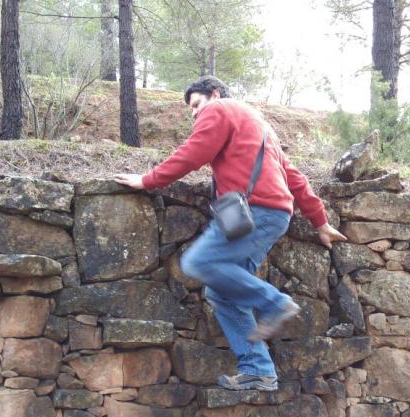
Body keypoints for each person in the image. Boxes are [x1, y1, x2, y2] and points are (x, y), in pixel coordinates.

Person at [115, 76, 346, 392]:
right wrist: (319, 221)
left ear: (214, 94)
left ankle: (274, 303)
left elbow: (193, 152)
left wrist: (149, 180)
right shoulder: (261, 127)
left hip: (253, 214)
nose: (195, 113)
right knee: (222, 292)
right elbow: (295, 178)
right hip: (273, 215)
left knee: (197, 263)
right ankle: (259, 372)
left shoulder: (220, 108)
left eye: (196, 105)